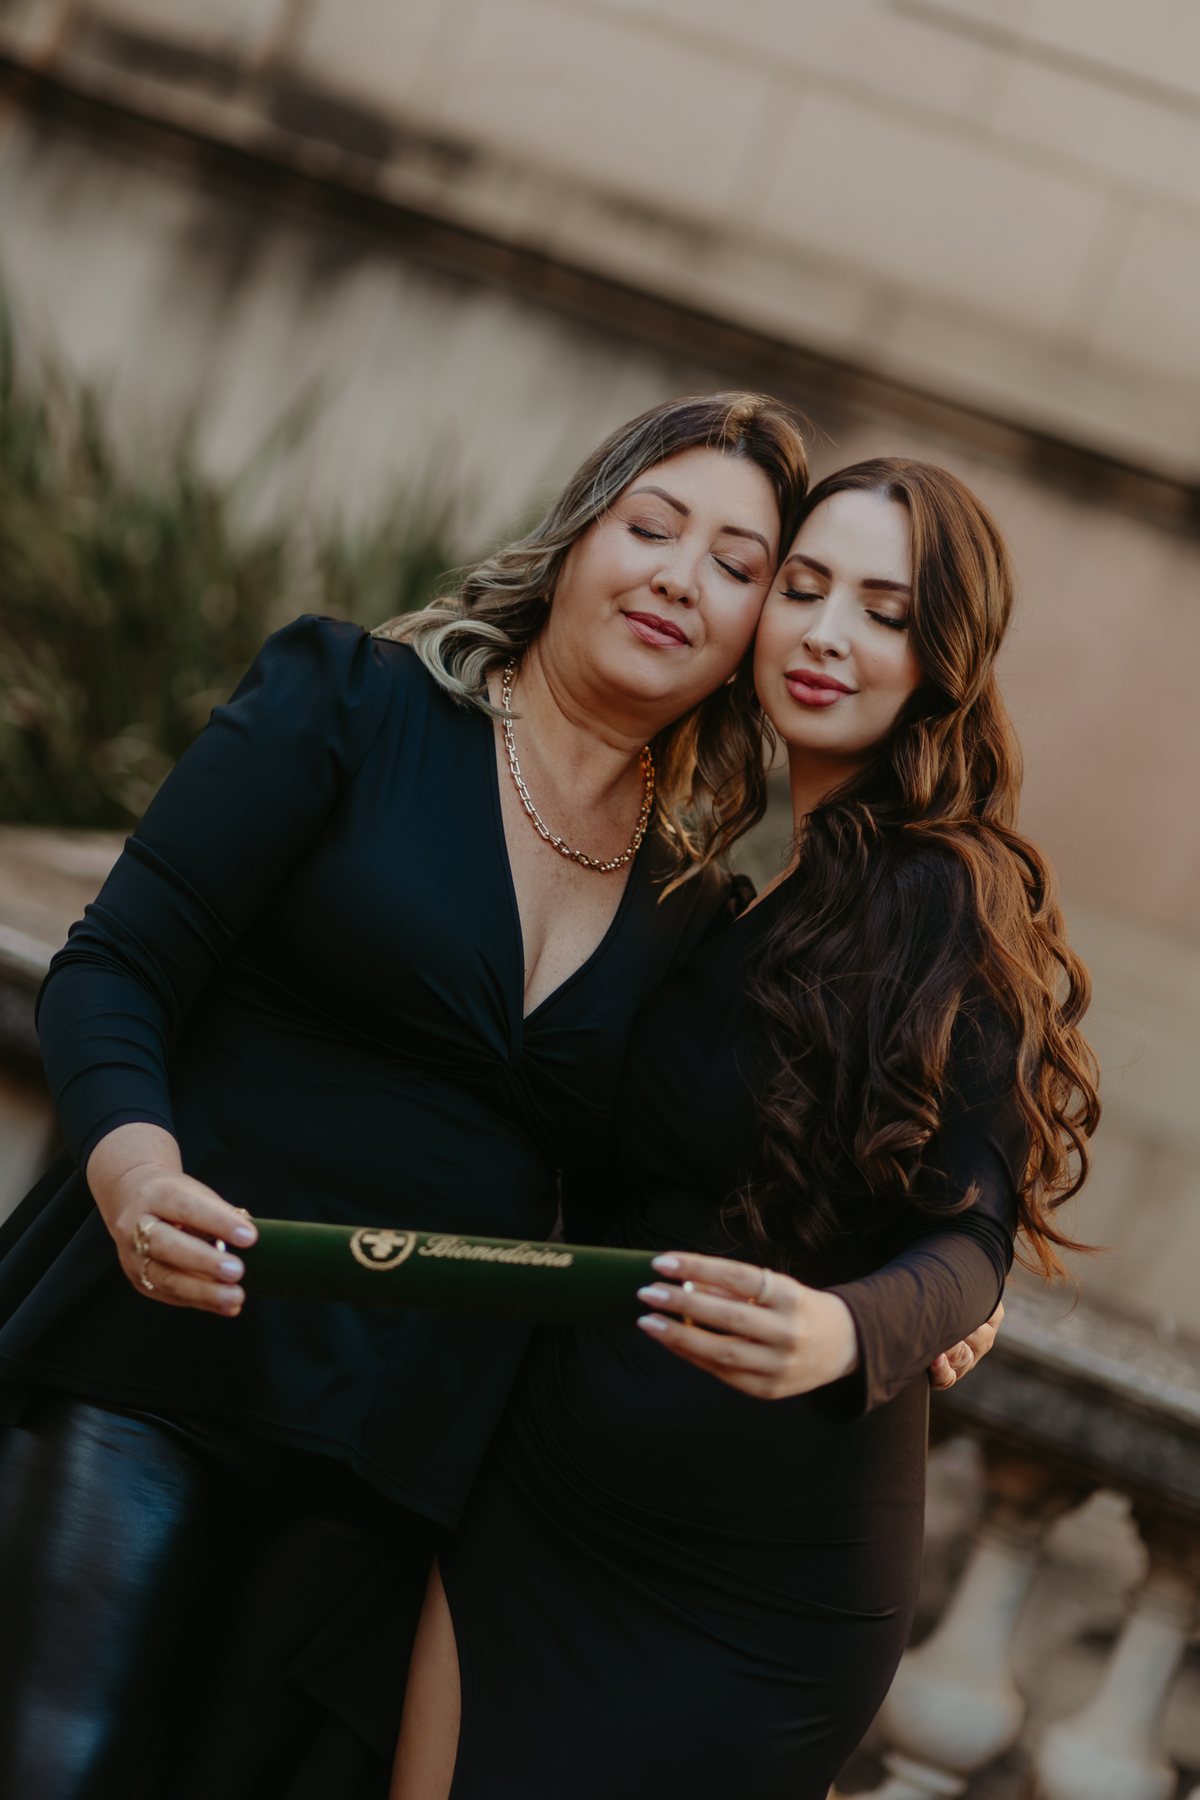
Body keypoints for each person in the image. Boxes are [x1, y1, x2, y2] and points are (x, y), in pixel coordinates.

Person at [0, 393, 811, 1800]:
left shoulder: (694, 908)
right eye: (653, 527)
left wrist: (938, 1286)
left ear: (755, 634)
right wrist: (133, 1174)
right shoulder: (350, 701)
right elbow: (116, 966)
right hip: (170, 1344)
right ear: (577, 538)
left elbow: (705, 1176)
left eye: (737, 566)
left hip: (400, 1451)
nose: (682, 578)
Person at [394, 459, 1099, 1800]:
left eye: (883, 612)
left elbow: (970, 1241)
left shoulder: (950, 898)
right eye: (802, 588)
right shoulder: (716, 894)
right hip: (543, 1487)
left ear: (941, 659)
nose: (826, 635)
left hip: (754, 1586)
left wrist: (851, 1330)